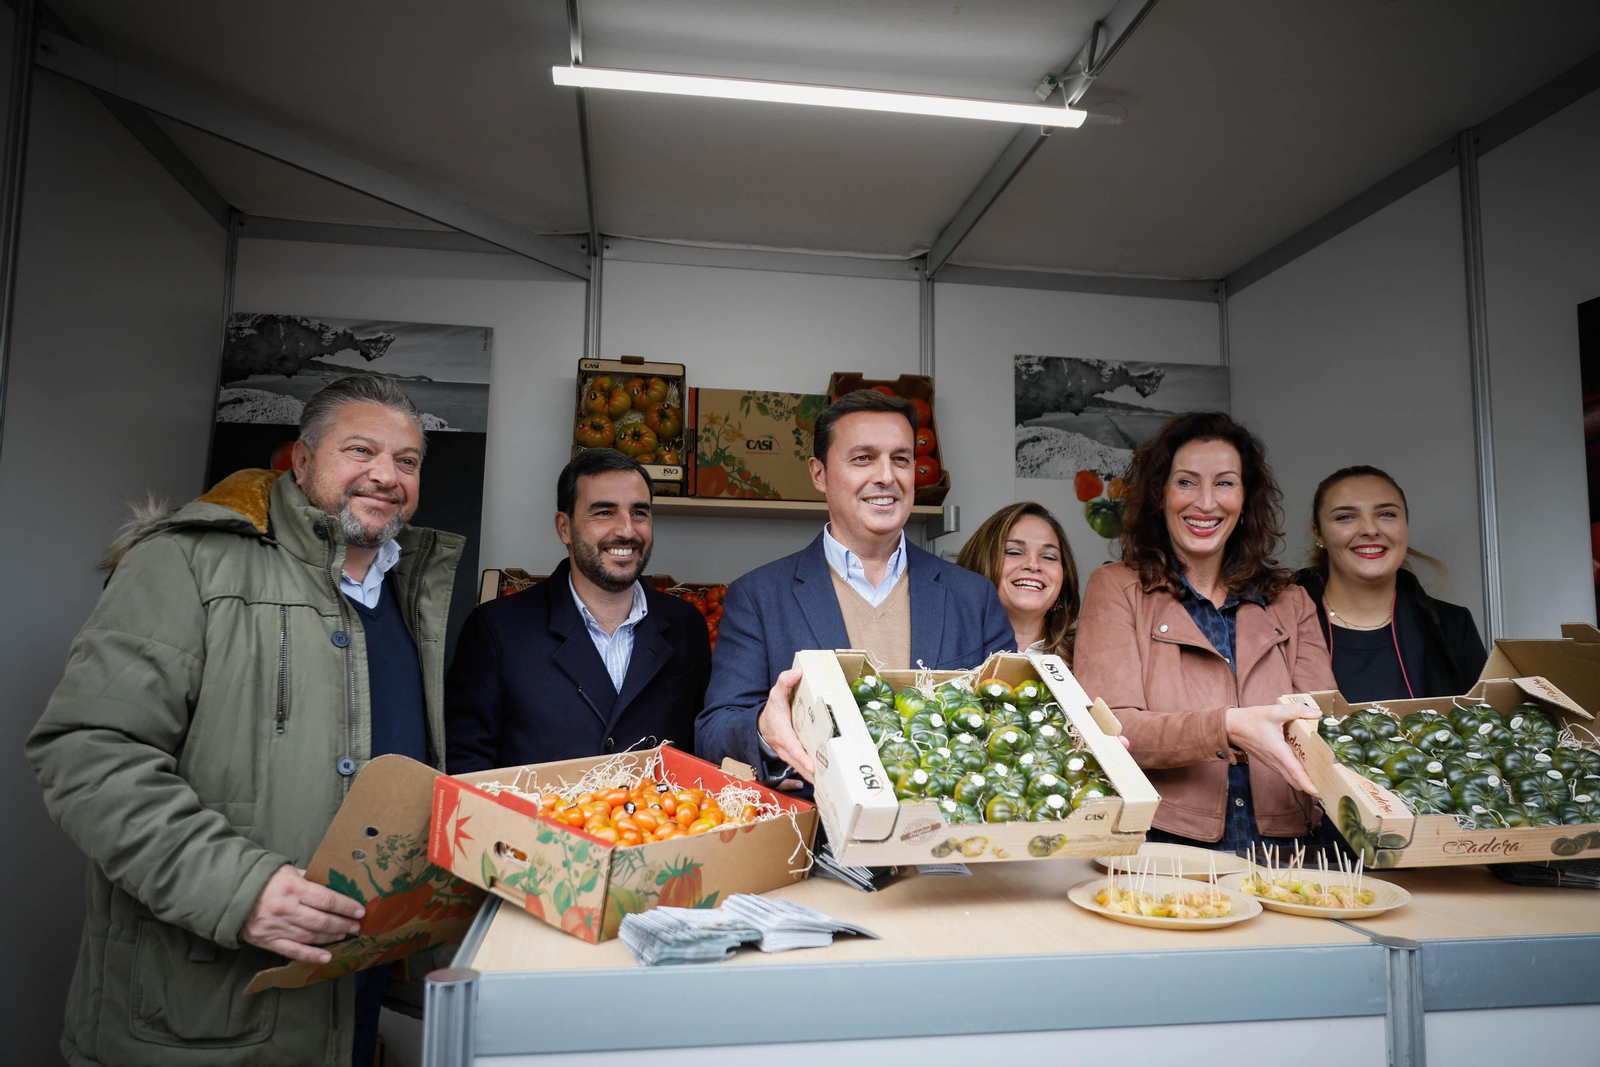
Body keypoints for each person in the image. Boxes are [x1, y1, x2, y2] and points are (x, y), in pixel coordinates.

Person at [27, 375, 464, 1067]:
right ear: (302, 460)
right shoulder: (185, 562)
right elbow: (87, 751)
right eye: (360, 450)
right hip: (195, 1018)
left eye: (406, 461)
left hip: (349, 1000)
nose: (385, 475)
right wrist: (241, 888)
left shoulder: (411, 598)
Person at [695, 388, 1013, 785]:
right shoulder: (759, 596)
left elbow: (1010, 721)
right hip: (818, 836)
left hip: (950, 830)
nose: (886, 476)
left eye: (901, 459)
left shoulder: (974, 597)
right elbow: (713, 733)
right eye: (863, 458)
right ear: (819, 474)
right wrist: (763, 728)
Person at [1074, 412, 1338, 856]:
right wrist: (1227, 727)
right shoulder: (1116, 588)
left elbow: (1322, 728)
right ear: (1159, 494)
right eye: (1186, 482)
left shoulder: (1291, 601)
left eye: (1225, 483)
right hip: (1165, 843)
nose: (1206, 502)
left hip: (1290, 847)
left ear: (1246, 497)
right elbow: (1112, 730)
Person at [446, 449, 712, 772]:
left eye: (639, 513)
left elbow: (702, 752)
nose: (627, 530)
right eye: (604, 513)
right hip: (536, 822)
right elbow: (465, 765)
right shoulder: (496, 631)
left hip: (657, 822)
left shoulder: (686, 626)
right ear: (564, 528)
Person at [1296, 465, 1487, 702]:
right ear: (1319, 534)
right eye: (1345, 517)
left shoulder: (1454, 626)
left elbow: (1484, 728)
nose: (1370, 529)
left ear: (1405, 526)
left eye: (1386, 514)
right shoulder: (1280, 626)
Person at [957, 501, 1080, 663]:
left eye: (1049, 556)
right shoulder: (947, 649)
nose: (1033, 565)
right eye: (1014, 552)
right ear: (980, 561)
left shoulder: (1087, 656)